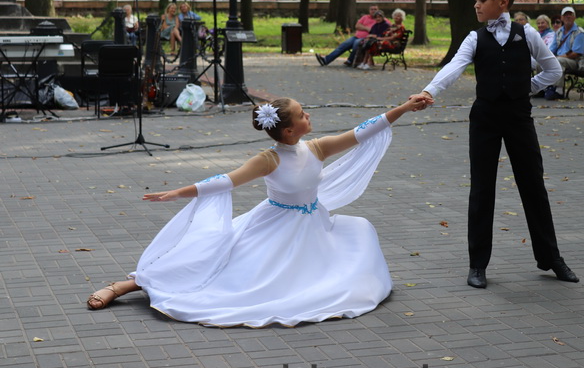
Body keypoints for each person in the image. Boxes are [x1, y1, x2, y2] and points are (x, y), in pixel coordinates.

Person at [86, 95, 427, 327]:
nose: (309, 115)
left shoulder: (317, 148)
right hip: (274, 227)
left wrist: (404, 107)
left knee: (358, 236)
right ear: (290, 130)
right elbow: (225, 182)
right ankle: (123, 286)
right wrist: (179, 192)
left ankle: (132, 285)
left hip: (313, 228)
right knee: (213, 270)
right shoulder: (269, 159)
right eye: (302, 114)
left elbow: (364, 131)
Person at [410, 0, 579, 289]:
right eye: (476, 0)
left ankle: (552, 259)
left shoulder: (527, 33)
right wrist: (428, 91)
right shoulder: (475, 38)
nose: (476, 5)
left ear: (502, 2)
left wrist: (524, 88)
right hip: (485, 118)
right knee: (482, 189)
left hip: (519, 117)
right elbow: (454, 66)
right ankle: (477, 265)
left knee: (533, 187)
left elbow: (553, 69)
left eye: (482, 0)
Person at [315, 4, 387, 66]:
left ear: (378, 10)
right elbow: (357, 26)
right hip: (356, 37)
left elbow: (386, 28)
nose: (373, 11)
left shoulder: (381, 19)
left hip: (366, 40)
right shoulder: (365, 17)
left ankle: (350, 61)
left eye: (375, 9)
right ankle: (325, 60)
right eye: (372, 9)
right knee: (343, 45)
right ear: (369, 10)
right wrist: (367, 29)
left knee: (356, 44)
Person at [548, 6, 584, 100]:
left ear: (574, 17)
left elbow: (575, 53)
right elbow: (552, 49)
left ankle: (558, 91)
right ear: (562, 18)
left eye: (570, 15)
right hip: (561, 59)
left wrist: (556, 57)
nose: (568, 17)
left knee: (558, 61)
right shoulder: (559, 32)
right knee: (541, 62)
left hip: (576, 62)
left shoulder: (579, 32)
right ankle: (543, 88)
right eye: (565, 15)